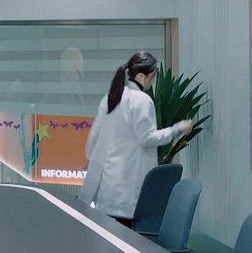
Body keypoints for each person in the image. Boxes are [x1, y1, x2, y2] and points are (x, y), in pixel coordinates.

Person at [78, 51, 193, 225]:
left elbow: (94, 137)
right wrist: (177, 129)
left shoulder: (110, 98)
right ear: (141, 76)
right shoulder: (142, 101)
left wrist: (91, 162)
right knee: (126, 238)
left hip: (108, 188)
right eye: (152, 76)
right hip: (128, 189)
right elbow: (147, 138)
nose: (154, 81)